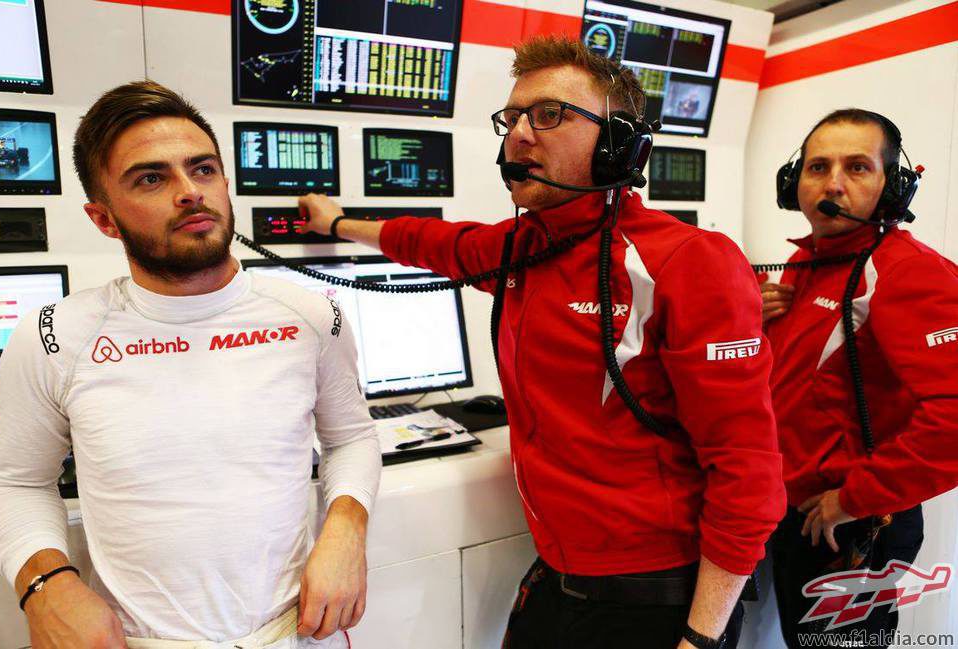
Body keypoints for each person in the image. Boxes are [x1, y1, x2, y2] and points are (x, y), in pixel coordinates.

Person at [298, 36, 785, 649]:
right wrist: (336, 223)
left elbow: (748, 470)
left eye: (549, 115)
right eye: (512, 118)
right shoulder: (523, 247)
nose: (519, 135)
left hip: (659, 599)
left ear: (618, 145)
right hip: (560, 578)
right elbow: (429, 240)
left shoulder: (688, 262)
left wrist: (703, 638)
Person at [0, 81, 380, 649]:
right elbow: (13, 482)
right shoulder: (56, 336)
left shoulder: (310, 313)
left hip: (295, 633)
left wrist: (346, 528)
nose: (190, 192)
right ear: (104, 219)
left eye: (202, 169)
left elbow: (351, 439)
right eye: (151, 178)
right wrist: (45, 585)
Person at [761, 108, 958, 648]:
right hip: (797, 515)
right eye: (818, 167)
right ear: (792, 182)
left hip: (847, 520)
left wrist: (855, 498)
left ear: (892, 187)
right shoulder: (808, 269)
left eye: (858, 168)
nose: (834, 184)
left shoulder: (905, 272)